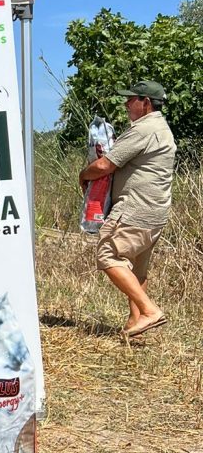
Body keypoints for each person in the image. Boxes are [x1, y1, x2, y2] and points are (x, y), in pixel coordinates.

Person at [79, 79, 176, 337]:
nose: (126, 103)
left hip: (134, 209)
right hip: (155, 211)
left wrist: (83, 175)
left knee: (108, 255)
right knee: (137, 268)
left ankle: (149, 310)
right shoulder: (162, 128)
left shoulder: (144, 129)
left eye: (131, 99)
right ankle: (135, 323)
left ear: (145, 103)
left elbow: (104, 165)